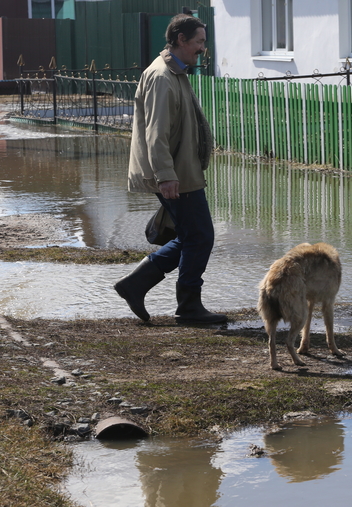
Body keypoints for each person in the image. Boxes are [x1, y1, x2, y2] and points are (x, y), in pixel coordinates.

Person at [114, 13, 226, 325]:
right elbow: (156, 133)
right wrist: (165, 176)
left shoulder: (176, 72)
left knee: (193, 236)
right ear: (181, 40)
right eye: (199, 42)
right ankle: (188, 306)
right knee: (200, 236)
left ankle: (135, 284)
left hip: (182, 171)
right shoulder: (162, 76)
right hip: (174, 174)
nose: (203, 48)